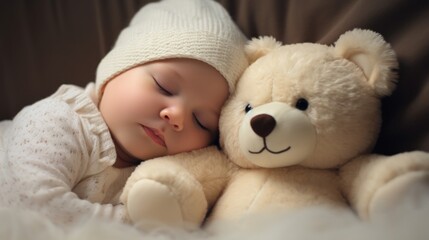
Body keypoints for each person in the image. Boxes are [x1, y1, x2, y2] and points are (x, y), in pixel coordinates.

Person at [0, 0, 248, 227]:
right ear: (114, 71)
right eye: (164, 86)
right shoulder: (59, 119)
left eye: (201, 121)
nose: (178, 116)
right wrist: (137, 223)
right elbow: (31, 205)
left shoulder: (162, 176)